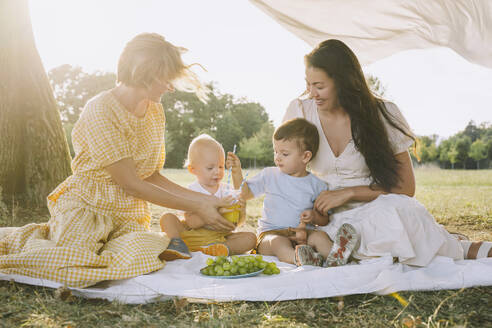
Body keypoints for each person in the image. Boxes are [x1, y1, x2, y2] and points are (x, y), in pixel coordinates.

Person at [0, 33, 236, 288]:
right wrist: (198, 206)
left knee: (146, 250)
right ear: (147, 72)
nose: (170, 87)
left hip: (128, 214)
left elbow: (150, 174)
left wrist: (205, 201)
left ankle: (99, 252)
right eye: (167, 79)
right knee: (74, 262)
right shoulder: (101, 109)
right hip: (88, 207)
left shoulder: (155, 110)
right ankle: (29, 241)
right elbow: (131, 183)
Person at [283, 39, 492, 266]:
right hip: (321, 218)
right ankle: (430, 243)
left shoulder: (382, 113)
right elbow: (285, 170)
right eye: (308, 84)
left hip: (374, 211)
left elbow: (406, 187)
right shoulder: (300, 111)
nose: (312, 93)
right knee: (364, 239)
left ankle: (454, 246)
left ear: (343, 82)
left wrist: (350, 193)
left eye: (320, 86)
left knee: (399, 212)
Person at [227, 118, 360, 266]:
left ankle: (336, 256)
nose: (277, 158)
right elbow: (244, 194)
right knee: (278, 243)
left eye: (284, 154)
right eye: (275, 151)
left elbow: (324, 220)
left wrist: (314, 216)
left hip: (303, 233)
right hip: (271, 234)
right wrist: (236, 171)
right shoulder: (269, 175)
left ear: (305, 156)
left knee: (320, 237)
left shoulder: (317, 185)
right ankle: (299, 258)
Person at [159, 134, 257, 259]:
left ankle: (221, 249)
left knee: (250, 238)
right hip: (191, 237)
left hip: (219, 238)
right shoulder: (191, 191)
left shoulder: (226, 190)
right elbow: (191, 222)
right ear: (192, 169)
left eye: (221, 166)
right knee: (167, 218)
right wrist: (217, 211)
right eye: (210, 168)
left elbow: (238, 222)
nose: (217, 171)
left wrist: (241, 209)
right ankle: (178, 244)